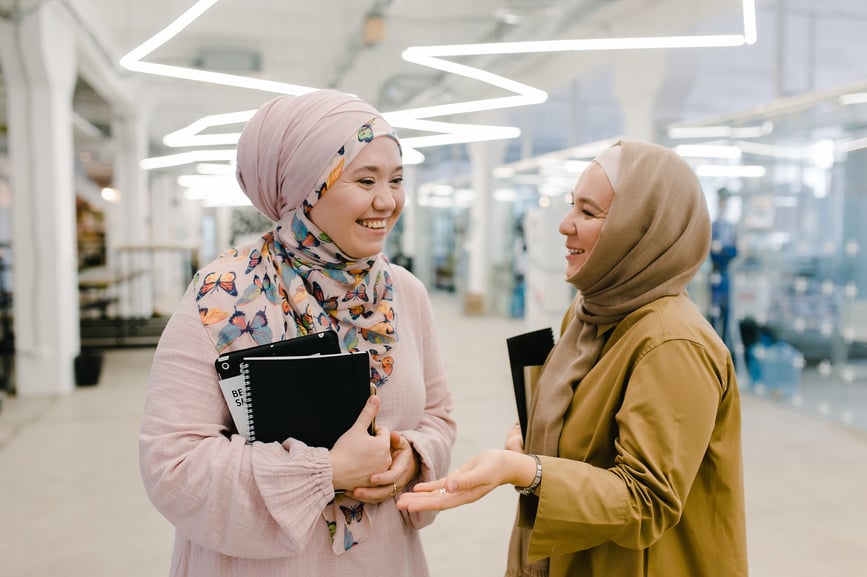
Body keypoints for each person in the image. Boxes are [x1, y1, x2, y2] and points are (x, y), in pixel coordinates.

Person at [140, 89, 457, 577]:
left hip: (383, 559)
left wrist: (411, 459)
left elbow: (438, 416)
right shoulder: (225, 293)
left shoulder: (405, 294)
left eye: (396, 179)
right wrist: (324, 474)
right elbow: (173, 464)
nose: (387, 200)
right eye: (365, 179)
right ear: (307, 187)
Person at [398, 140, 747, 577]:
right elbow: (575, 421)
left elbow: (645, 501)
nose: (565, 225)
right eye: (571, 206)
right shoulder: (589, 314)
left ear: (641, 228)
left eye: (588, 212)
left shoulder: (673, 344)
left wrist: (525, 469)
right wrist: (528, 435)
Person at [709, 187, 739, 356]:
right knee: (714, 313)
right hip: (714, 275)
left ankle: (724, 351)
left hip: (726, 275)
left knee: (727, 313)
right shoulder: (713, 226)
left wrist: (723, 250)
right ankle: (712, 351)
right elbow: (710, 251)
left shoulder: (730, 228)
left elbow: (734, 251)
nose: (723, 204)